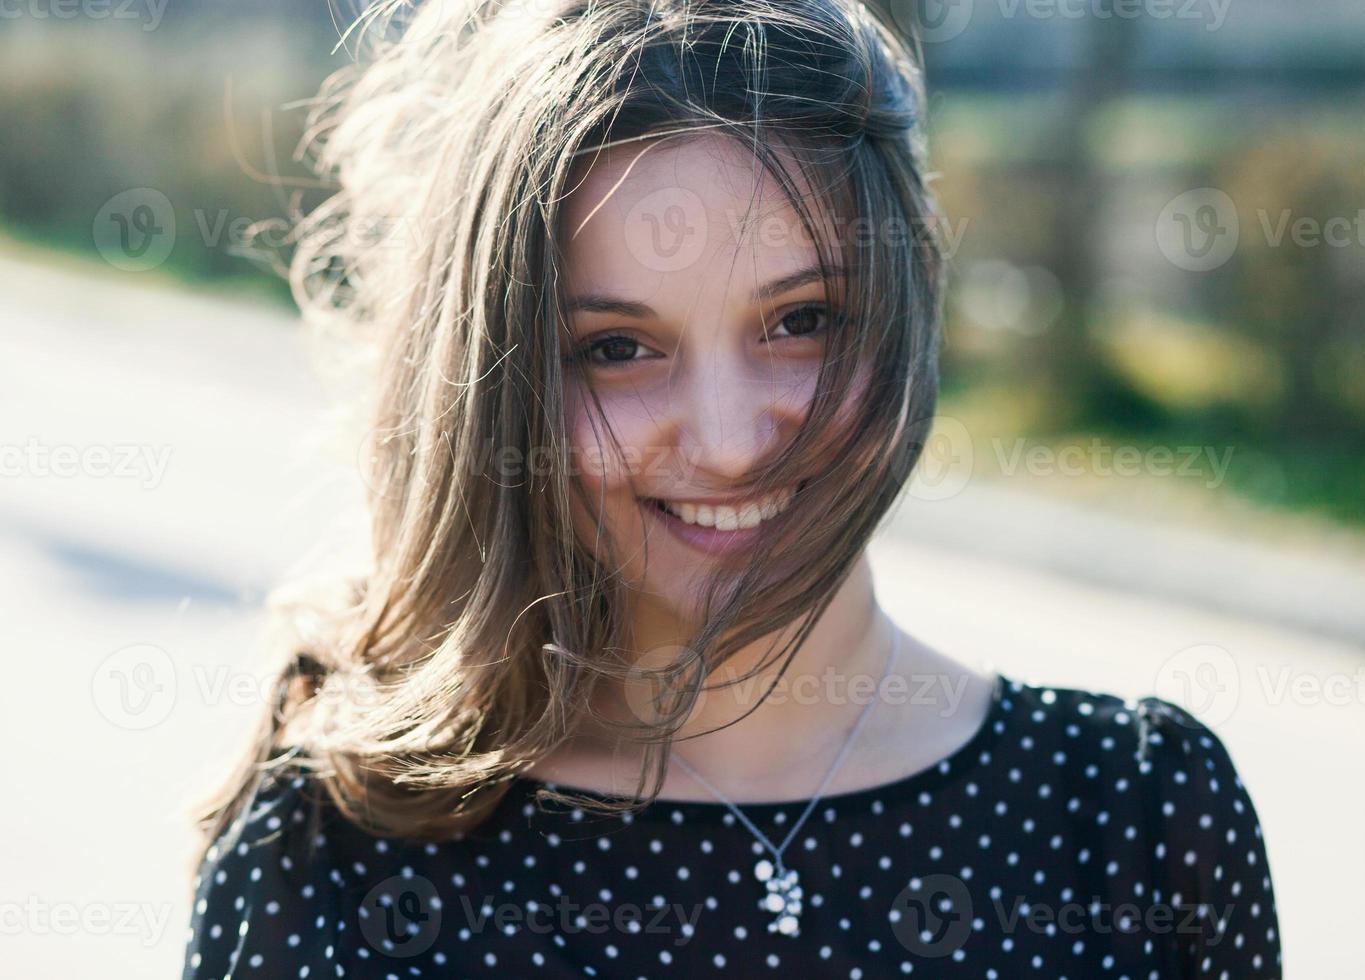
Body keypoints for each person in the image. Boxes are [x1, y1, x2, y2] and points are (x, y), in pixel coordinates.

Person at [180, 1, 1282, 977]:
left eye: (801, 322)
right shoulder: (327, 859)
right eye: (616, 347)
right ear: (503, 382)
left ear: (912, 299)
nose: (726, 440)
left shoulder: (1135, 814)